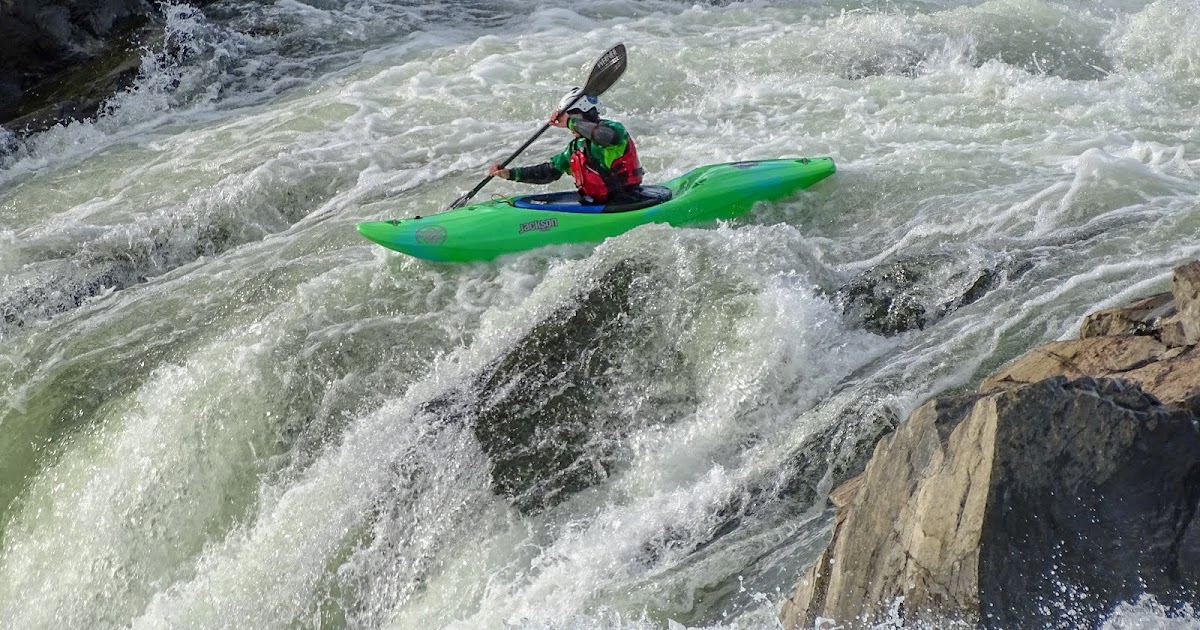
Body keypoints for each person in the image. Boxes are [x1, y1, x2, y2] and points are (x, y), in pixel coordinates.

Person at [488, 87, 644, 205]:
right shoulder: (576, 147)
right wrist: (510, 174)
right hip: (595, 203)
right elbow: (549, 172)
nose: (569, 126)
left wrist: (569, 121)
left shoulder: (614, 131)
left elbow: (603, 136)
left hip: (627, 201)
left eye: (571, 118)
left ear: (586, 113)